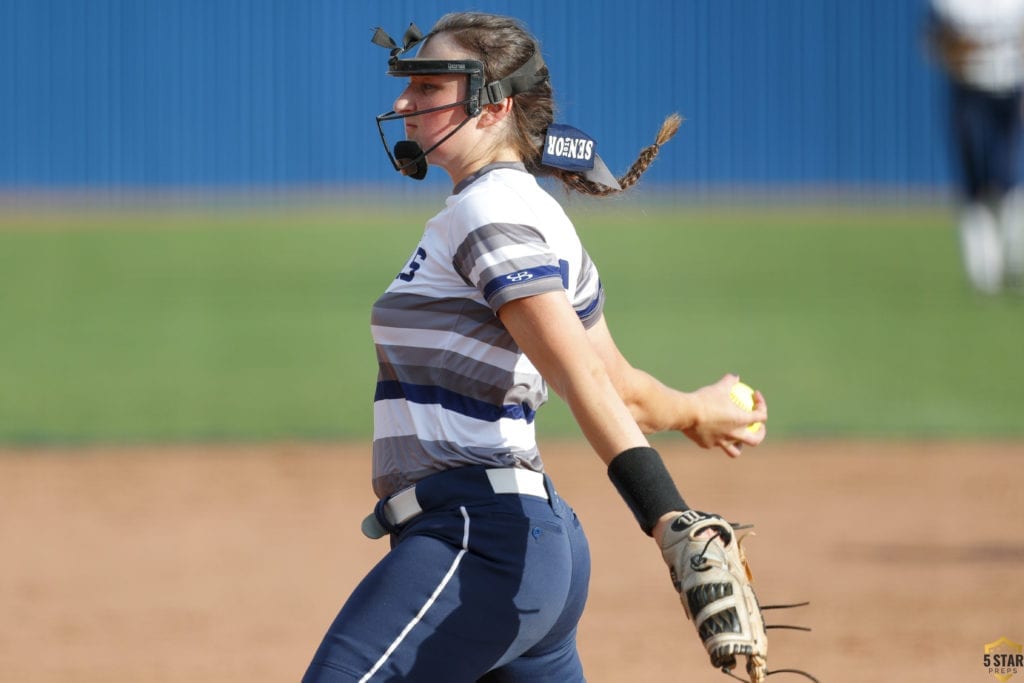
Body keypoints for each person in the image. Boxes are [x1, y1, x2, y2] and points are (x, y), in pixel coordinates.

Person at [303, 12, 767, 682]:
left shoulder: (487, 213)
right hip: (533, 553)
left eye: (430, 88)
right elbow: (621, 386)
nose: (404, 102)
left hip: (477, 543)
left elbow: (580, 376)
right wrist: (699, 409)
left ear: (496, 105)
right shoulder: (537, 212)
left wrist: (670, 520)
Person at [926, 0, 1024, 293]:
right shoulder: (953, 5)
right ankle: (984, 265)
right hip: (969, 92)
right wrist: (956, 52)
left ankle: (1015, 251)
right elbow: (933, 40)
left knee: (1008, 174)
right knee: (975, 179)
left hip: (1010, 89)